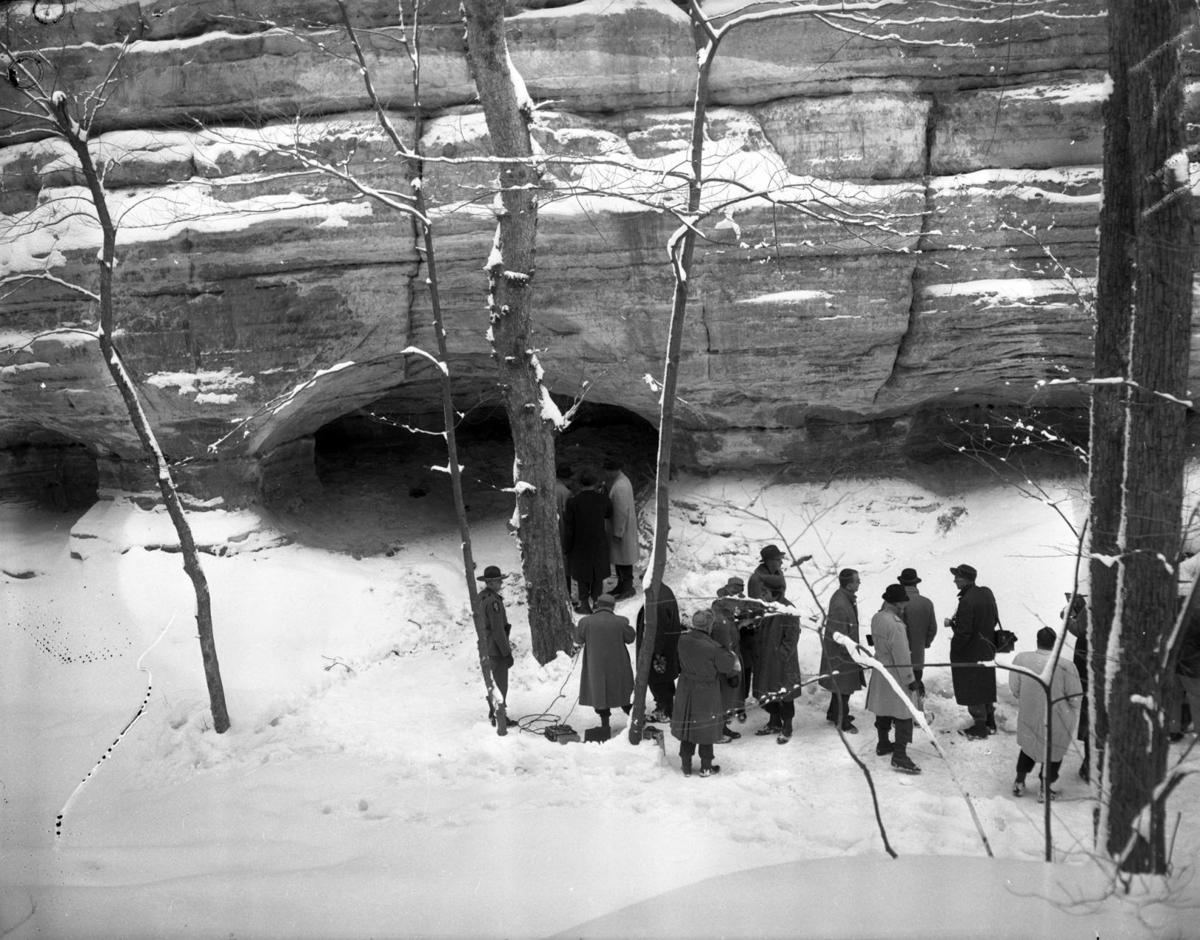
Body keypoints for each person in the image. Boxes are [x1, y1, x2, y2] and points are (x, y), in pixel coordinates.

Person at [1009, 627, 1082, 802]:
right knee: (1053, 752)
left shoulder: (1022, 659)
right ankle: (1044, 789)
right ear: (1055, 643)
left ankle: (1019, 781)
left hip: (1030, 713)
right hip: (1057, 717)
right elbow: (1075, 697)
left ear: (1037, 640)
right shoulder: (1066, 666)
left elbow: (1015, 686)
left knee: (1028, 747)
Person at [671, 609, 740, 777]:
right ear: (709, 626)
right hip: (706, 689)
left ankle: (686, 766)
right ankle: (706, 767)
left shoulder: (682, 639)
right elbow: (727, 665)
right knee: (705, 727)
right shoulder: (713, 648)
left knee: (688, 725)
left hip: (686, 687)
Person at [866, 584, 921, 774]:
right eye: (903, 602)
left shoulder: (877, 617)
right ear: (898, 603)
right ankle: (900, 755)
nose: (905, 605)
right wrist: (909, 679)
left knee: (883, 708)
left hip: (881, 670)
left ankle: (883, 743)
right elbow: (902, 655)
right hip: (896, 674)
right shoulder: (896, 625)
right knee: (904, 713)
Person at [946, 563, 1000, 739]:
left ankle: (979, 726)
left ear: (965, 579)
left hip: (970, 652)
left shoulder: (967, 600)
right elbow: (991, 620)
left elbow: (964, 632)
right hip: (986, 649)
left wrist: (956, 649)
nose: (954, 580)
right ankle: (990, 721)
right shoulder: (986, 593)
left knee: (972, 688)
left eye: (957, 577)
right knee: (985, 685)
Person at [573, 593, 636, 738]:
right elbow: (631, 638)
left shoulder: (586, 622)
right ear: (612, 606)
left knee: (599, 693)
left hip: (595, 666)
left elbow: (578, 639)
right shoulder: (620, 622)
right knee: (622, 691)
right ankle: (635, 719)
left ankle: (605, 723)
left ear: (597, 605)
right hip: (618, 665)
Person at [752, 582, 803, 745]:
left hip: (782, 662)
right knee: (768, 691)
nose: (762, 596)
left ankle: (787, 727)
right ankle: (774, 722)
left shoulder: (788, 610)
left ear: (774, 592)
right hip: (767, 659)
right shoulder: (768, 606)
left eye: (764, 592)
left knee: (785, 694)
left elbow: (792, 638)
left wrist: (781, 656)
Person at [820, 568, 863, 733]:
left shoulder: (845, 598)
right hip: (842, 654)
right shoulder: (840, 603)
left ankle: (833, 713)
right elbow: (839, 635)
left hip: (844, 651)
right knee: (844, 687)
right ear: (849, 584)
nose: (859, 583)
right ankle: (842, 720)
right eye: (857, 580)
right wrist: (851, 653)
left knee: (841, 685)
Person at [563, 469, 612, 614]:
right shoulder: (602, 499)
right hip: (598, 541)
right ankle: (597, 603)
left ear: (579, 484)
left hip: (580, 543)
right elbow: (610, 513)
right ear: (595, 483)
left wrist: (567, 546)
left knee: (582, 575)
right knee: (598, 574)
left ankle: (584, 604)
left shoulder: (573, 502)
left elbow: (569, 527)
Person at [636, 582, 683, 723]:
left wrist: (656, 652)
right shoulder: (663, 591)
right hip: (668, 646)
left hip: (658, 650)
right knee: (665, 679)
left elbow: (658, 629)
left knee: (657, 681)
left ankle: (665, 710)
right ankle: (668, 707)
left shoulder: (657, 601)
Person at [713, 576, 757, 724]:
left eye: (741, 588)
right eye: (736, 588)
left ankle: (739, 707)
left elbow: (753, 617)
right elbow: (722, 624)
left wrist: (748, 623)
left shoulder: (745, 602)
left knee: (740, 678)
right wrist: (739, 625)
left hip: (742, 645)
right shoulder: (719, 603)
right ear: (728, 587)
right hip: (726, 645)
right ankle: (726, 709)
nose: (739, 591)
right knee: (727, 679)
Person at [478, 565, 517, 728]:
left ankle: (494, 711)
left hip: (486, 646)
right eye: (498, 580)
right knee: (500, 683)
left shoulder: (481, 597)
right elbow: (498, 630)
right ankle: (499, 715)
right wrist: (506, 653)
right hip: (495, 648)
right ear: (491, 583)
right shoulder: (493, 602)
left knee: (493, 681)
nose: (501, 583)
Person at [710, 581, 748, 742]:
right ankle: (718, 730)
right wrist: (731, 671)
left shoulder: (724, 618)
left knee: (725, 697)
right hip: (727, 663)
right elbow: (724, 649)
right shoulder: (722, 623)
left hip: (730, 658)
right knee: (723, 697)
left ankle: (722, 726)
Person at [1062, 593, 1091, 779]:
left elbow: (1079, 629)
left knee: (1091, 713)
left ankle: (1090, 765)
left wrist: (1067, 617)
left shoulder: (1095, 605)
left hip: (1089, 664)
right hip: (1113, 666)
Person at [897, 568, 937, 694]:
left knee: (899, 690)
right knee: (915, 685)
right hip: (917, 656)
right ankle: (917, 711)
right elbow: (932, 628)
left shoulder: (892, 603)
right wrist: (924, 643)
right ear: (916, 584)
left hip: (897, 657)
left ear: (901, 583)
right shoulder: (926, 603)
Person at [605, 458, 639, 600]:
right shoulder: (622, 481)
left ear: (612, 470)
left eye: (607, 470)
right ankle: (622, 584)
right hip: (623, 528)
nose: (605, 473)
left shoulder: (620, 486)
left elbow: (621, 511)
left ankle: (627, 587)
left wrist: (618, 532)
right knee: (621, 559)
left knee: (623, 559)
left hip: (621, 529)